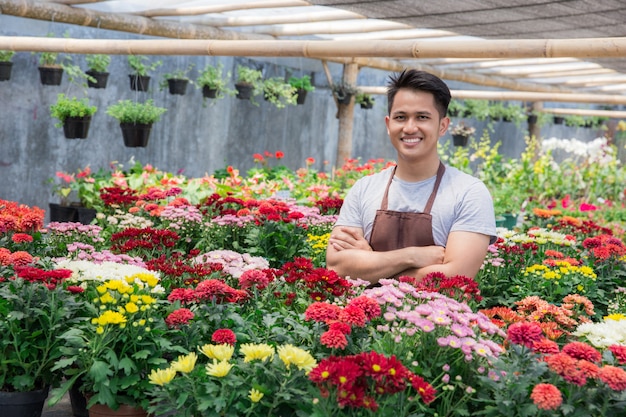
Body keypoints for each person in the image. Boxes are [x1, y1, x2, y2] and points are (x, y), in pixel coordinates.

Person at [326, 69, 497, 285]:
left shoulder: (468, 193)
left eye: (422, 117)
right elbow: (336, 268)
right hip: (360, 316)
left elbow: (455, 279)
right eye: (401, 117)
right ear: (388, 125)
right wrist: (412, 256)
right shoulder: (364, 189)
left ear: (443, 126)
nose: (409, 127)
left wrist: (370, 263)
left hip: (437, 318)